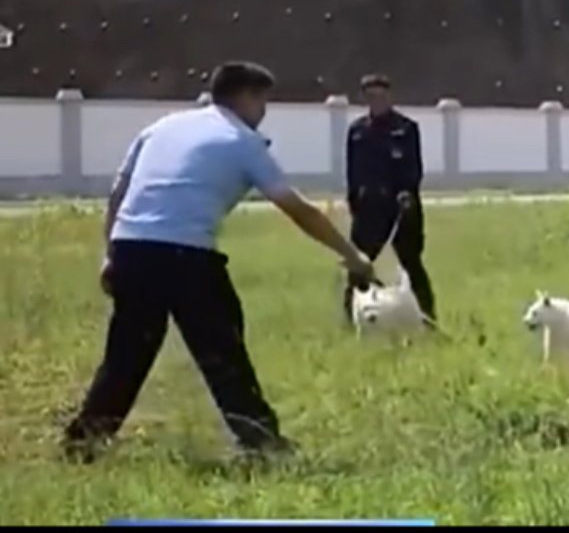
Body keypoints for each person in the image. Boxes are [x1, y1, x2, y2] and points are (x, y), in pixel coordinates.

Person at [61, 62, 376, 463]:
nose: (263, 111)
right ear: (246, 96)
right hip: (184, 255)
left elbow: (119, 191)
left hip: (132, 248)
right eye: (262, 101)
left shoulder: (162, 128)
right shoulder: (242, 140)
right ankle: (261, 442)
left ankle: (83, 440)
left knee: (127, 352)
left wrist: (110, 253)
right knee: (222, 347)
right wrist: (353, 256)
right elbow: (298, 209)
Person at [344, 74, 436, 328]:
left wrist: (408, 193)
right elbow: (352, 171)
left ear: (389, 97)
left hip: (401, 207)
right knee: (359, 266)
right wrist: (354, 201)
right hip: (369, 209)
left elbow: (414, 168)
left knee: (411, 264)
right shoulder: (357, 131)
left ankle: (427, 318)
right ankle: (353, 318)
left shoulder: (405, 129)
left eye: (381, 96)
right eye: (371, 96)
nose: (376, 101)